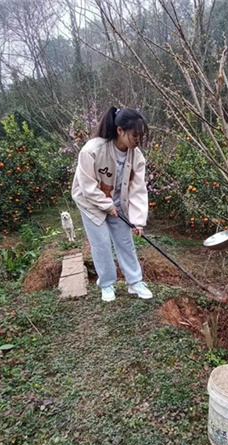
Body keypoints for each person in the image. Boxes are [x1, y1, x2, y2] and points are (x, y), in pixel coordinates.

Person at [72, 107, 153, 302]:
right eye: (134, 135)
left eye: (140, 136)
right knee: (100, 242)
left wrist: (138, 221)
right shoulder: (92, 150)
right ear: (120, 130)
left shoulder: (137, 157)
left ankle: (134, 282)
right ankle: (107, 284)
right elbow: (87, 185)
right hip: (90, 201)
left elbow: (138, 189)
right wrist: (106, 205)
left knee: (125, 240)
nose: (137, 140)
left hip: (117, 200)